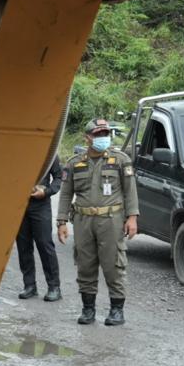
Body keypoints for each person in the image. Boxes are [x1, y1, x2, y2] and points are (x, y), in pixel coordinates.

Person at [57, 118, 139, 326]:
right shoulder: (74, 163)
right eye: (98, 135)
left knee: (113, 265)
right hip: (83, 221)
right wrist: (61, 221)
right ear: (87, 138)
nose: (103, 138)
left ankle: (116, 310)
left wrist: (132, 218)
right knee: (85, 265)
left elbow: (130, 191)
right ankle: (88, 309)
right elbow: (66, 194)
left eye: (105, 134)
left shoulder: (120, 160)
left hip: (111, 220)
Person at [17, 156, 63, 302]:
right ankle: (29, 285)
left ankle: (54, 287)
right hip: (19, 204)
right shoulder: (17, 152)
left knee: (44, 244)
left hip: (40, 205)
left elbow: (58, 177)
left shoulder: (50, 153)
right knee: (23, 246)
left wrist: (47, 191)